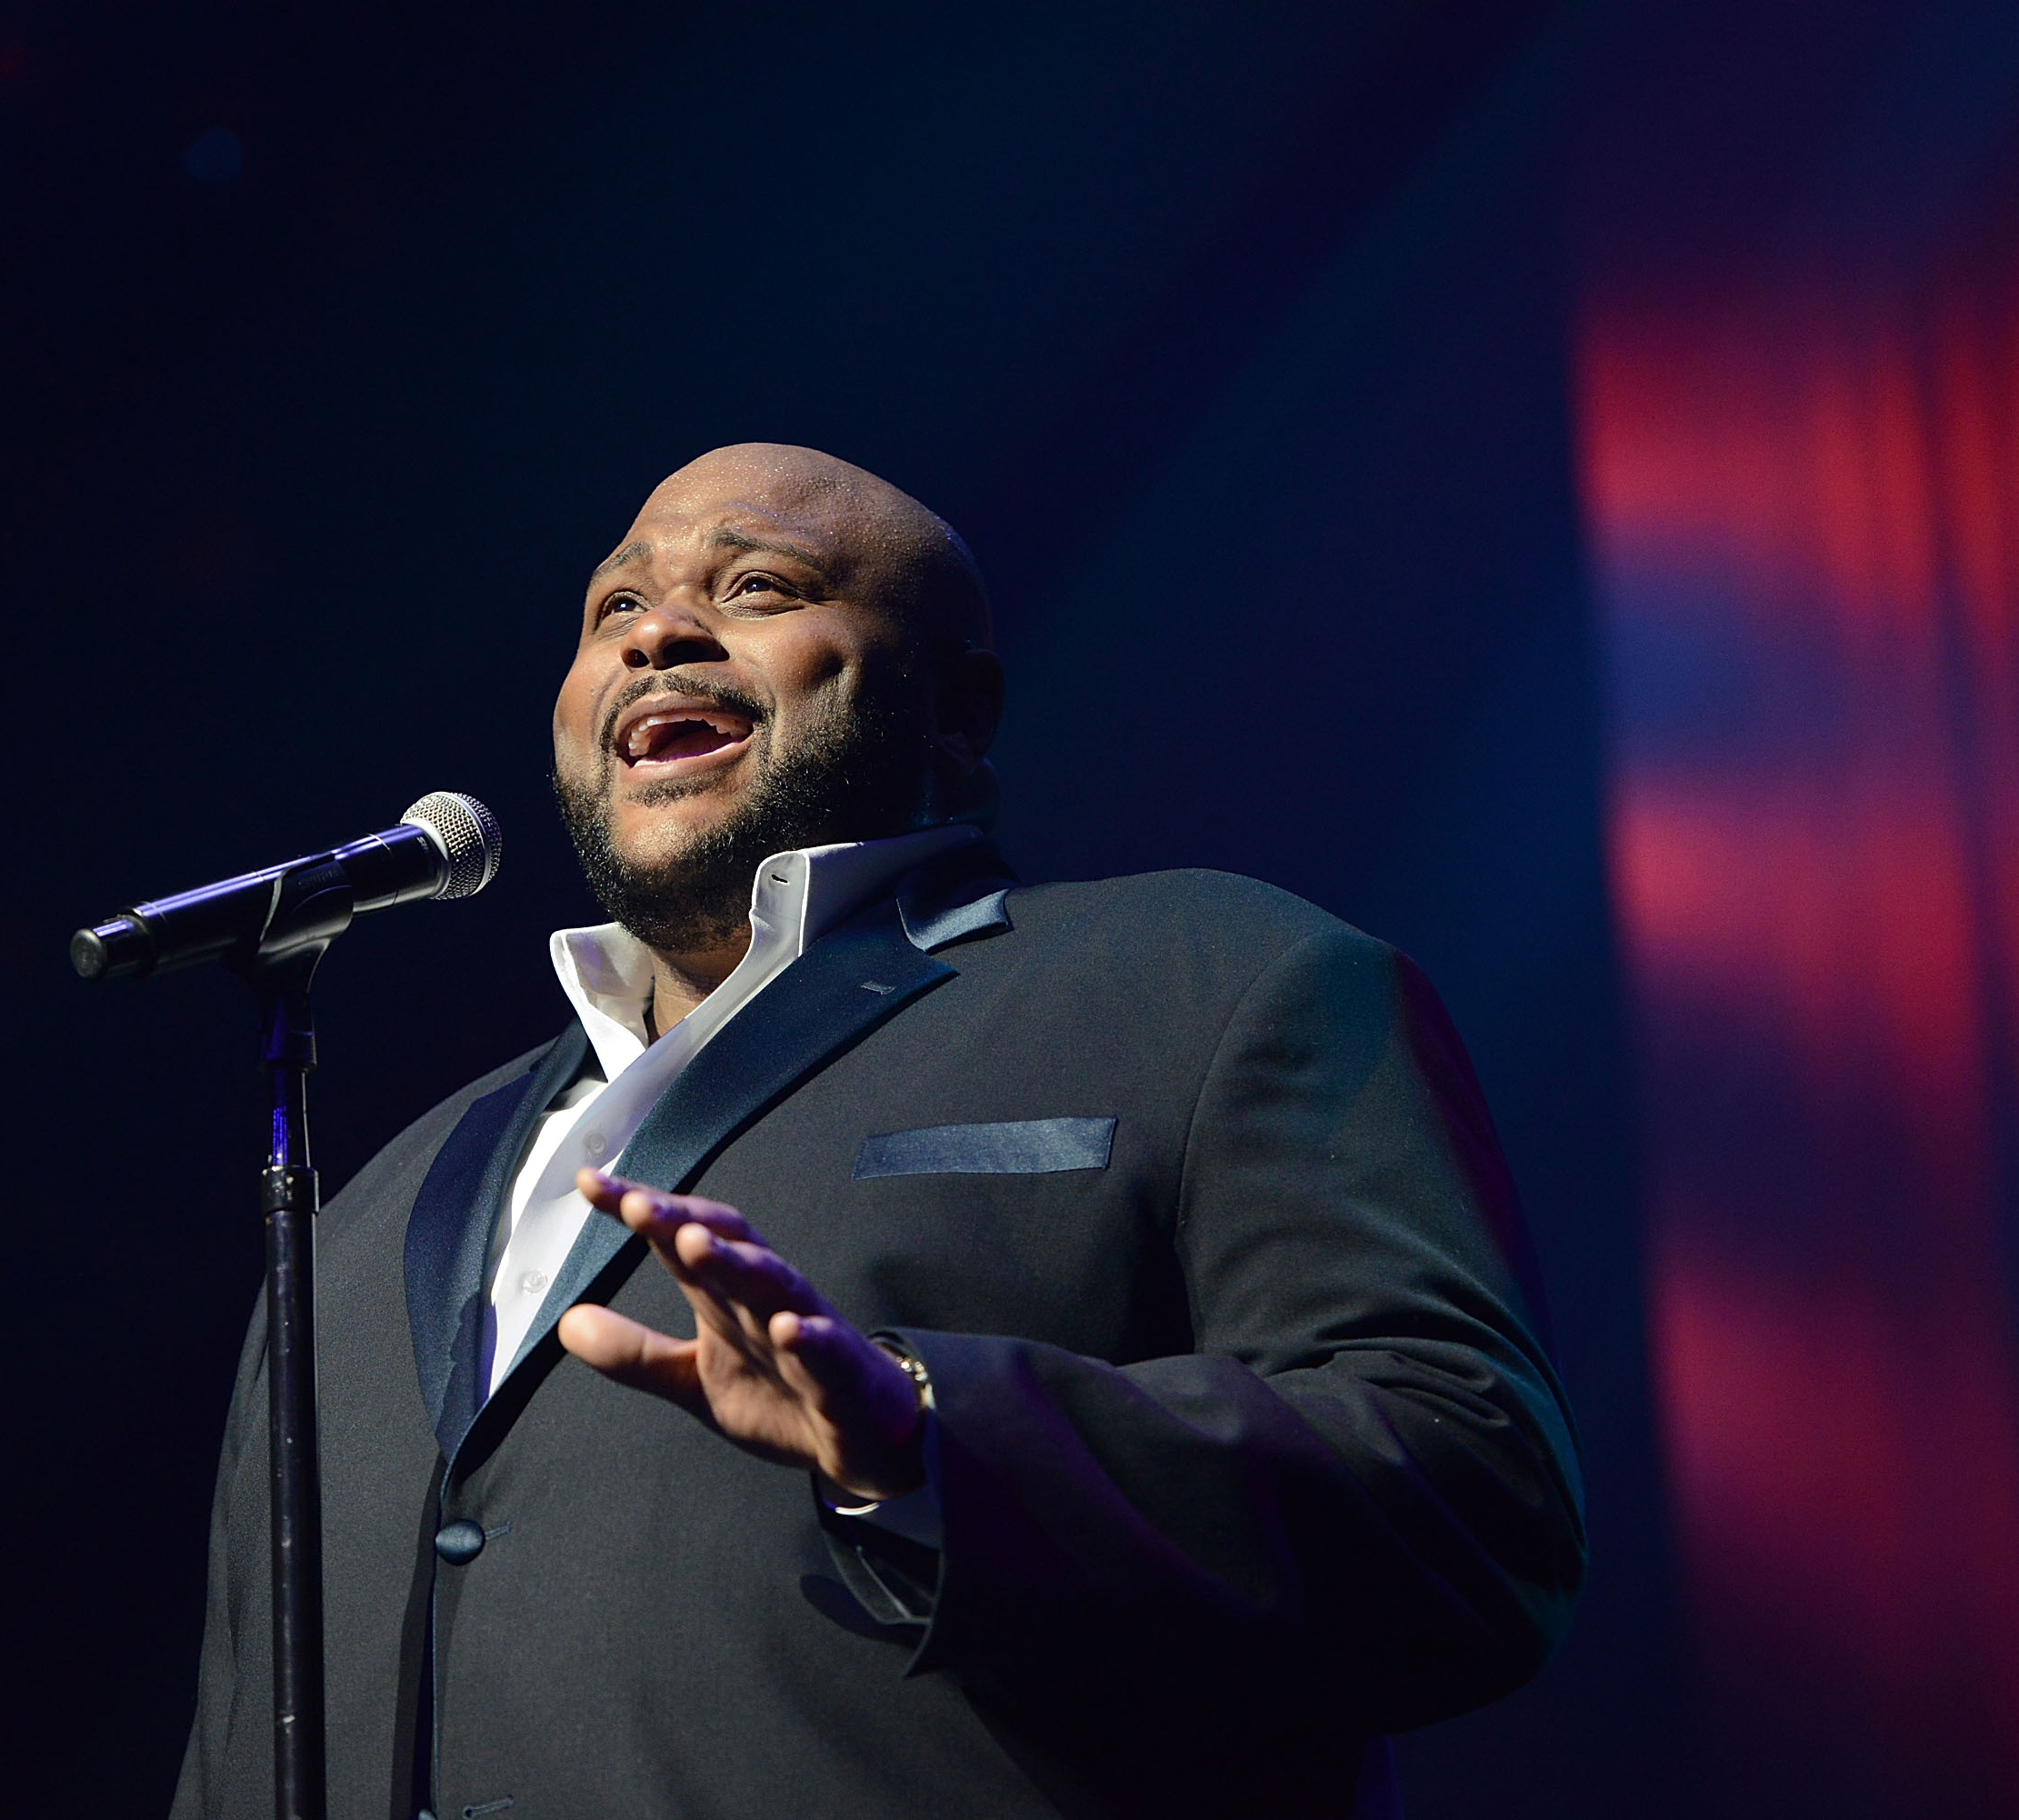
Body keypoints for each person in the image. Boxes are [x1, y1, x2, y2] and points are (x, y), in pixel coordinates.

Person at [166, 445, 1584, 1820]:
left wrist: (923, 1433)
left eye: (762, 585)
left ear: (958, 711)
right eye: (615, 607)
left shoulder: (1214, 979)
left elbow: (1475, 1494)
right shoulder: (361, 1215)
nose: (661, 630)